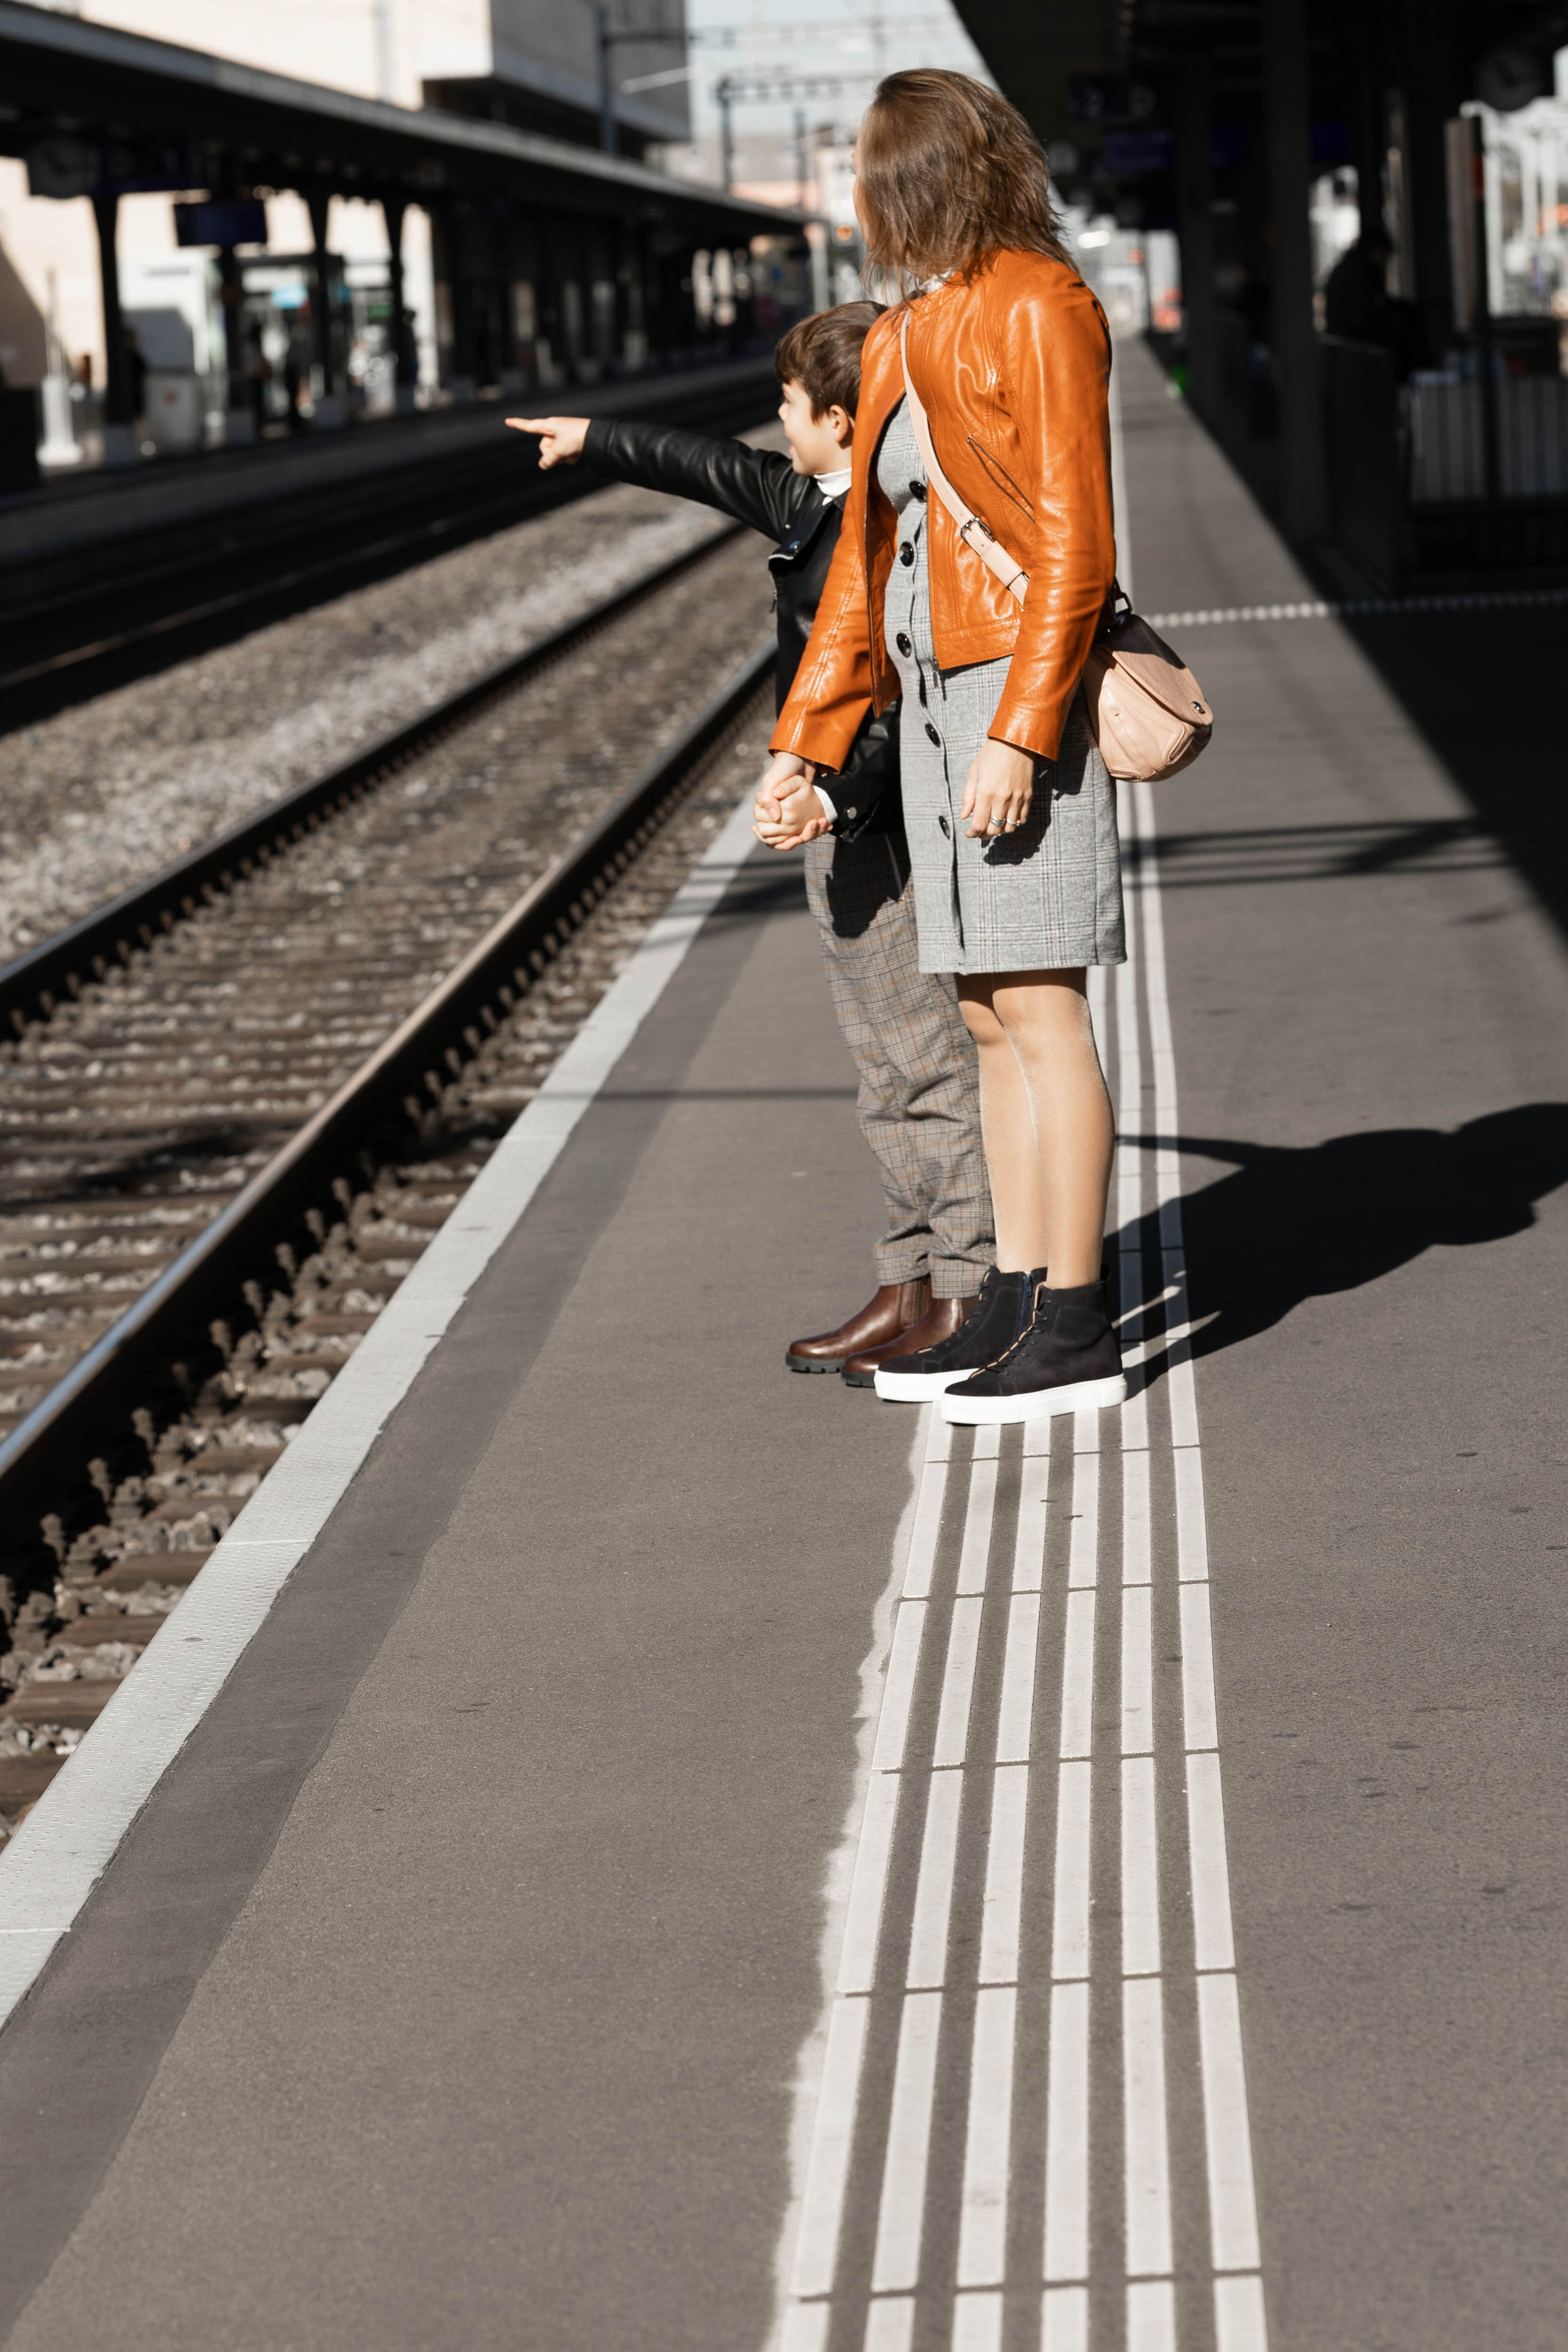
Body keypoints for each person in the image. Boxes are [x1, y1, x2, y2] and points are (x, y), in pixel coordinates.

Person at [505, 306, 993, 1383]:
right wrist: (594, 437)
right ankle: (908, 1280)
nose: (774, 421)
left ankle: (969, 1291)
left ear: (841, 419)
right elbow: (709, 466)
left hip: (887, 821)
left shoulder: (902, 524)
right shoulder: (807, 497)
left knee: (929, 1069)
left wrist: (833, 794)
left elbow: (900, 698)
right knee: (883, 1069)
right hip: (834, 815)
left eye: (789, 404)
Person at [758, 68, 1128, 1426]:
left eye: (874, 174)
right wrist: (808, 741)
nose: (864, 200)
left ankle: (1076, 1321)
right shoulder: (915, 329)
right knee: (981, 1017)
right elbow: (860, 562)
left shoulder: (1042, 305)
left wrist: (1024, 736)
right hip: (927, 708)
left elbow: (1075, 544)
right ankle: (1017, 1301)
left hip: (1007, 699)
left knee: (1040, 1011)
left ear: (918, 178)